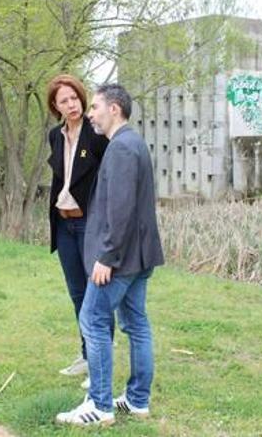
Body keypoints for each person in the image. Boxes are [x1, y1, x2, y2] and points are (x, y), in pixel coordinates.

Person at [56, 84, 164, 427]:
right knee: (136, 323)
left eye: (96, 107)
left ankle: (100, 405)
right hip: (139, 256)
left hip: (119, 259)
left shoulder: (120, 148)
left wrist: (107, 256)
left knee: (93, 320)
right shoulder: (133, 143)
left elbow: (120, 210)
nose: (91, 113)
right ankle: (136, 400)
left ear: (114, 109)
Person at [45, 74, 111, 389]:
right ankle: (86, 355)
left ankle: (101, 359)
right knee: (77, 293)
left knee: (95, 293)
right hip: (63, 222)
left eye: (75, 98)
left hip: (89, 222)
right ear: (55, 107)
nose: (72, 105)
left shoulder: (97, 134)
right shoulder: (55, 136)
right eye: (64, 101)